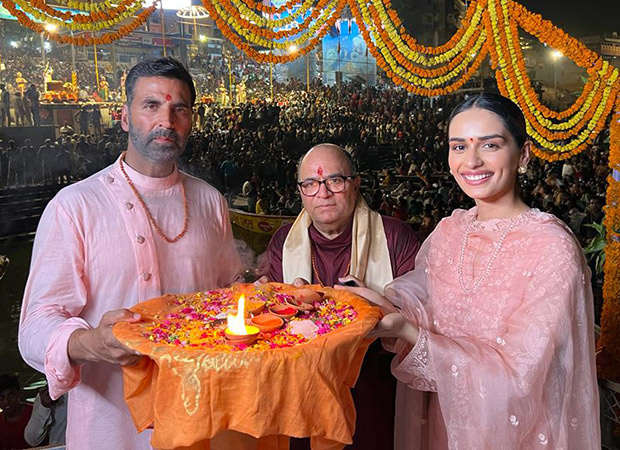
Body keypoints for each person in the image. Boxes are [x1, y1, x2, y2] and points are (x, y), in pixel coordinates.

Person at [337, 93, 600, 449]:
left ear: (523, 154)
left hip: (512, 433)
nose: (472, 161)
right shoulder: (450, 230)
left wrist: (411, 333)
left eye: (489, 145)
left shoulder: (551, 248)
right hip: (444, 420)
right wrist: (383, 305)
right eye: (458, 147)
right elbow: (428, 307)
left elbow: (522, 376)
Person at [19, 57, 243, 449]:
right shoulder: (75, 205)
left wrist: (271, 297)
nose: (167, 121)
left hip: (202, 409)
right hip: (111, 424)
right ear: (124, 117)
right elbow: (36, 325)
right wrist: (93, 343)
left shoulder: (209, 200)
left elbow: (230, 290)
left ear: (191, 120)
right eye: (151, 105)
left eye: (180, 109)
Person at [261, 143, 421, 449]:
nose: (323, 193)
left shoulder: (394, 237)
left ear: (355, 183)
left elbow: (423, 326)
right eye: (311, 184)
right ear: (300, 191)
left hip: (376, 386)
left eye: (335, 181)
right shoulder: (283, 242)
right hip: (306, 389)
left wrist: (378, 305)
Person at [0, 374, 33, 450]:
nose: (6, 401)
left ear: (19, 393)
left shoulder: (35, 414)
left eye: (11, 396)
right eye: (1, 397)